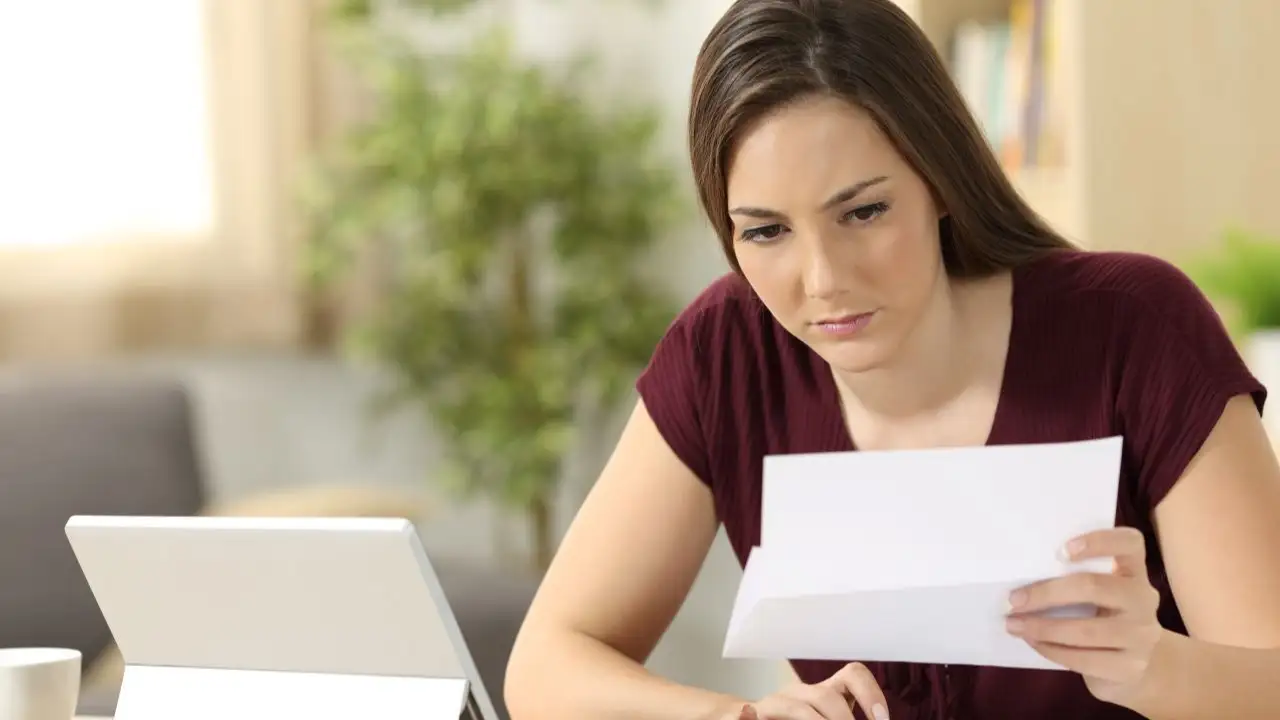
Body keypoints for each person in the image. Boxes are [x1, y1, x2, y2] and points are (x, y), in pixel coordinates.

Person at [503, 0, 1280, 718]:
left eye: (864, 211)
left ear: (940, 179)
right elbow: (544, 669)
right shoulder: (725, 354)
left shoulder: (1135, 328)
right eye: (766, 232)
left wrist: (1154, 669)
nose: (824, 281)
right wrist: (735, 717)